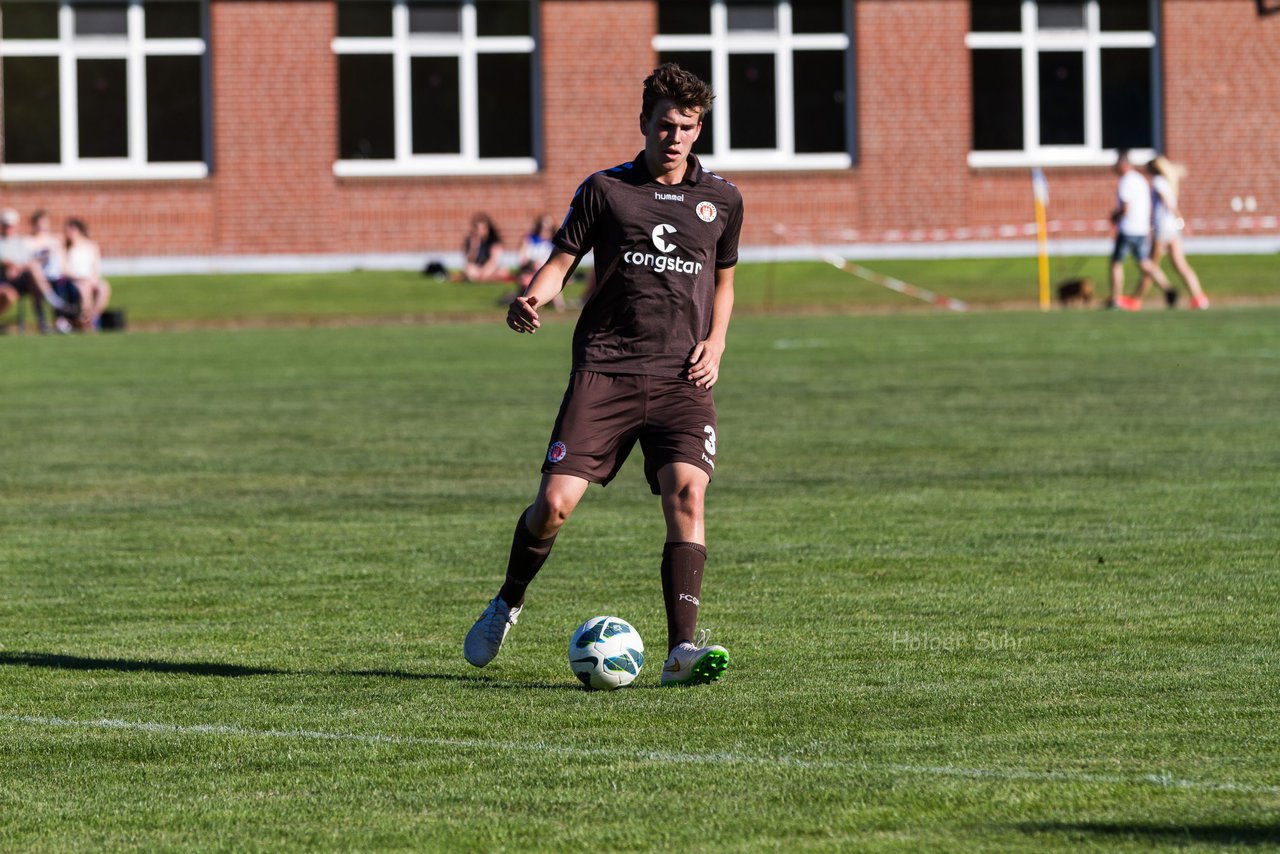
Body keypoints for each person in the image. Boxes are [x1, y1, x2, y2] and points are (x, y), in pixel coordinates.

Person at [463, 63, 744, 687]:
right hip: (606, 371)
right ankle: (508, 600)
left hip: (682, 378)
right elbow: (563, 259)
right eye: (665, 124)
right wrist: (532, 296)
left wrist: (717, 342)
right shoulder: (606, 190)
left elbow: (724, 280)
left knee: (687, 497)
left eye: (688, 126)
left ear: (700, 129)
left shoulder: (722, 198)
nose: (675, 137)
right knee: (554, 507)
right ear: (643, 122)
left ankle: (682, 650)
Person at [1133, 156, 1209, 310]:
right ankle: (1199, 298)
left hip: (1162, 229)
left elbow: (1168, 203)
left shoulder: (1158, 182)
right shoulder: (1168, 182)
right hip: (1172, 230)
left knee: (1150, 266)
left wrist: (1181, 221)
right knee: (1181, 265)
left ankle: (1136, 299)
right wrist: (1179, 224)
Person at [1107, 149, 1172, 311]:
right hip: (1141, 229)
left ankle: (1115, 298)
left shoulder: (1125, 181)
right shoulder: (1141, 180)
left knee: (1116, 263)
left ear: (1123, 164)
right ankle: (1168, 288)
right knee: (1144, 262)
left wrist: (1115, 217)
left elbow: (1125, 208)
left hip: (1128, 228)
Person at [0, 207, 69, 329]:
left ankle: (42, 321)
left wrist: (18, 267)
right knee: (9, 295)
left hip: (22, 279)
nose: (8, 228)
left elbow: (29, 260)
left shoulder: (20, 242)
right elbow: (5, 260)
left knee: (34, 281)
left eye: (11, 225)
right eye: (6, 225)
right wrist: (14, 265)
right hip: (6, 280)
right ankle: (53, 300)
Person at [506, 214, 565, 309]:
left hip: (547, 273)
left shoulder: (555, 243)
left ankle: (560, 311)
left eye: (548, 228)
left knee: (554, 283)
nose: (544, 230)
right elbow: (521, 260)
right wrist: (531, 263)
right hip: (530, 273)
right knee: (526, 282)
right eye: (542, 227)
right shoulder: (529, 240)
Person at [63, 218, 112, 329]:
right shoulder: (66, 248)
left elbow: (96, 266)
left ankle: (93, 317)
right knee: (85, 290)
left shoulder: (91, 246)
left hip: (91, 278)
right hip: (75, 280)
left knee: (104, 288)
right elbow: (64, 269)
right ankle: (86, 322)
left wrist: (93, 279)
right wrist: (79, 278)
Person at [461, 212, 505, 282]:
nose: (481, 231)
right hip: (478, 269)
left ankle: (482, 278)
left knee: (501, 271)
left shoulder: (494, 242)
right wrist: (474, 247)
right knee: (469, 268)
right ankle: (487, 279)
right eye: (479, 229)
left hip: (490, 268)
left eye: (483, 228)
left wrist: (484, 271)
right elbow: (470, 260)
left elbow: (493, 261)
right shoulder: (472, 240)